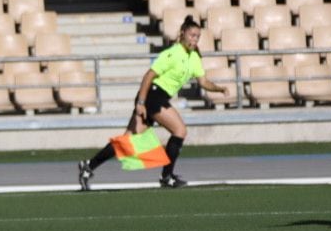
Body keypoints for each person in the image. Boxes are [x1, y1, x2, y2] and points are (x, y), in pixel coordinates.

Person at [78, 16, 228, 191]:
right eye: (192, 35)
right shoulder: (172, 53)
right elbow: (148, 76)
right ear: (182, 34)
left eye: (197, 36)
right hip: (152, 96)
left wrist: (220, 89)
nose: (194, 39)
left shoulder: (194, 57)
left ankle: (88, 166)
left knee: (127, 140)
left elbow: (203, 82)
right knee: (180, 130)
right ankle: (166, 177)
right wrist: (140, 103)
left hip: (157, 98)